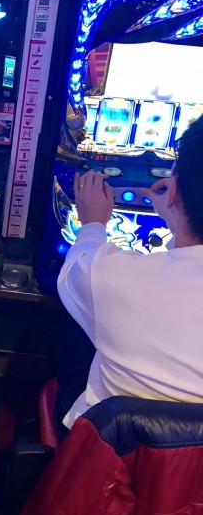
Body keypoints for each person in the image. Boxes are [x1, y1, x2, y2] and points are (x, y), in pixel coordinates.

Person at [55, 116, 203, 431]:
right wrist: (177, 219)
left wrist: (93, 222)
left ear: (173, 191)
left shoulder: (111, 275)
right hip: (190, 461)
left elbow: (76, 267)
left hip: (110, 451)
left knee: (80, 306)